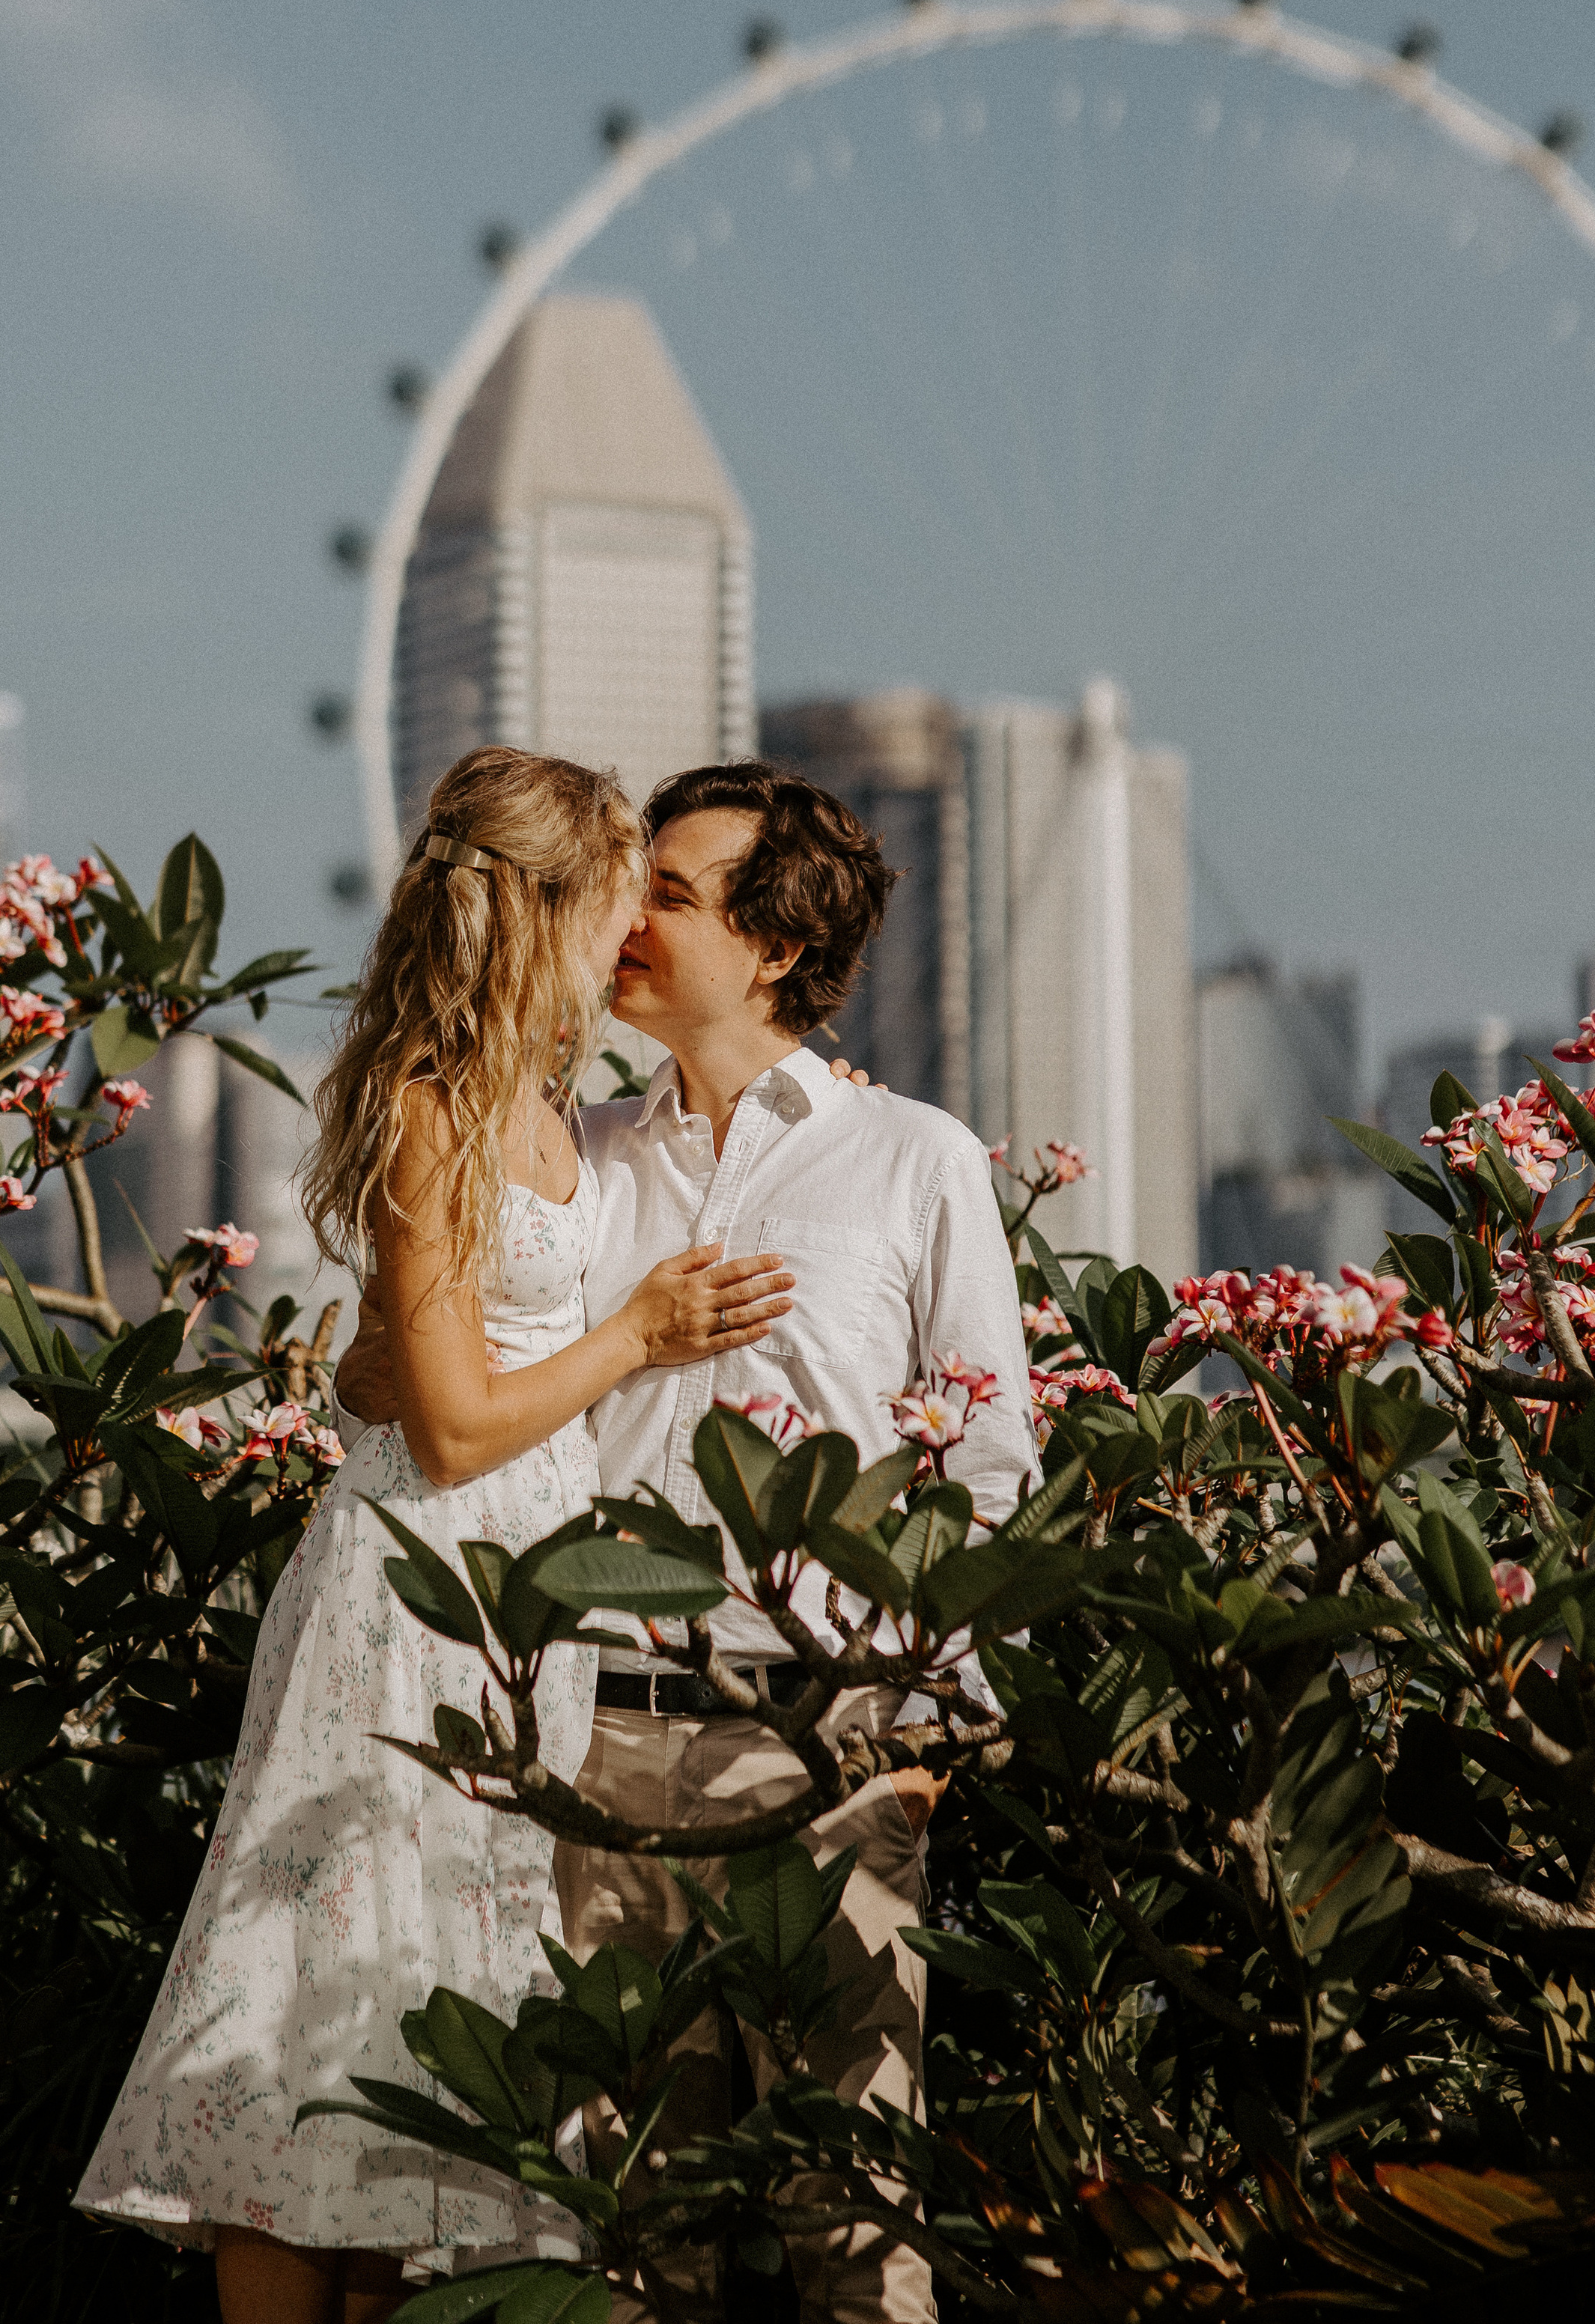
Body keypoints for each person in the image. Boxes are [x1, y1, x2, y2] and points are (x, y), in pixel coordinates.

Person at [76, 749, 795, 2324]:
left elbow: (382, 1369)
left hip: (524, 1602)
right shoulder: (432, 1105)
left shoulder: (547, 1108)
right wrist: (641, 1334)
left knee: (434, 2004)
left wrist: (397, 1358)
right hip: (418, 1592)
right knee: (319, 2013)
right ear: (541, 909)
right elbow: (456, 1426)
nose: (631, 935)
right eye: (617, 902)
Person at [336, 758, 1039, 2324]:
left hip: (830, 1748)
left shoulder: (913, 1159)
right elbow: (414, 1374)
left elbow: (986, 1465)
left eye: (667, 894)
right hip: (597, 1749)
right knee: (627, 2227)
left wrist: (924, 1734)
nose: (624, 922)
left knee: (854, 2218)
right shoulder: (576, 1152)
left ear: (776, 944)